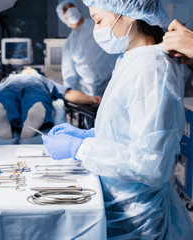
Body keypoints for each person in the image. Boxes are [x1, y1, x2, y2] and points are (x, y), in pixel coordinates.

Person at [43, 0, 193, 238]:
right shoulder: (132, 60)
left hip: (136, 217)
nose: (96, 30)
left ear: (130, 15)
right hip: (123, 203)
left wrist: (81, 148)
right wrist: (94, 135)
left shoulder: (151, 68)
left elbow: (150, 164)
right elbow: (129, 128)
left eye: (99, 20)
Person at [56, 0, 118, 101]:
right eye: (65, 9)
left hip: (112, 83)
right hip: (90, 92)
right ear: (63, 17)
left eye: (71, 6)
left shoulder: (97, 25)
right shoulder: (69, 44)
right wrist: (71, 99)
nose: (70, 10)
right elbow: (69, 77)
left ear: (77, 7)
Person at [0, 67, 65, 140]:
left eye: (32, 69)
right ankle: (5, 127)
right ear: (20, 73)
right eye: (26, 69)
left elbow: (65, 92)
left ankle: (29, 127)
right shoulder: (10, 78)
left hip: (35, 87)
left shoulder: (41, 78)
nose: (29, 68)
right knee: (5, 98)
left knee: (37, 100)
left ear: (37, 73)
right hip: (9, 88)